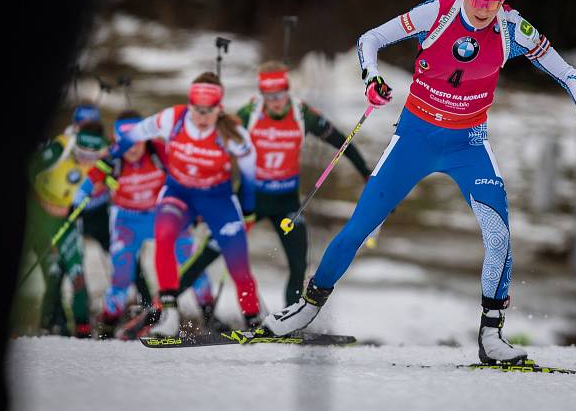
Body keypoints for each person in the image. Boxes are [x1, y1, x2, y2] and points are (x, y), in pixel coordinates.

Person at [262, 0, 576, 364]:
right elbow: (370, 39)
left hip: (469, 143)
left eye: (491, 0)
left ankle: (492, 334)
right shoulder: (438, 13)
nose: (482, 8)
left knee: (499, 234)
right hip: (416, 138)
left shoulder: (514, 28)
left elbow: (567, 72)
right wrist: (370, 78)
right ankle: (307, 308)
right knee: (359, 226)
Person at [176, 61, 371, 328]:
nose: (275, 102)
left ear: (287, 91)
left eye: (279, 95)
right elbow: (215, 144)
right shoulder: (250, 112)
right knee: (207, 255)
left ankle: (287, 322)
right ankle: (159, 307)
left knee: (298, 261)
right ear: (262, 95)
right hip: (248, 201)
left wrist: (365, 173)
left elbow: (341, 141)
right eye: (269, 96)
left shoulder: (303, 114)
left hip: (287, 205)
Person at [87, 72, 261, 337]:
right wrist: (104, 163)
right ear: (189, 105)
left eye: (208, 111)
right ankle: (168, 313)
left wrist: (247, 211)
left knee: (237, 260)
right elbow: (132, 134)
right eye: (197, 110)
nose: (202, 117)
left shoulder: (235, 134)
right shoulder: (173, 118)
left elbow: (250, 178)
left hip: (218, 198)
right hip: (179, 193)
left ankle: (253, 320)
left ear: (219, 108)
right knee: (165, 233)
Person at [76, 111, 213, 338]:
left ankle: (209, 317)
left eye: (137, 141)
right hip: (127, 220)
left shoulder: (159, 151)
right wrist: (81, 197)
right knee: (121, 275)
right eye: (127, 142)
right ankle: (108, 326)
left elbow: (184, 178)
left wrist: (198, 208)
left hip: (163, 215)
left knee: (190, 263)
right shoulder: (112, 157)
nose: (133, 148)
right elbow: (90, 180)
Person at [23, 120, 110, 338]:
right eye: (81, 152)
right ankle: (48, 324)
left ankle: (82, 329)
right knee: (53, 273)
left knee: (77, 272)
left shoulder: (103, 155)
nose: (85, 159)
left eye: (92, 156)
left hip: (67, 221)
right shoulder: (60, 148)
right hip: (42, 221)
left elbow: (109, 173)